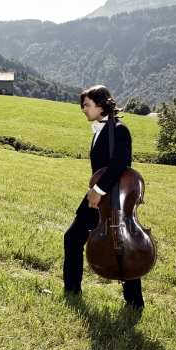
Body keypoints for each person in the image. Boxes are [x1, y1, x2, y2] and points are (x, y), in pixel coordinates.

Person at [63, 85, 144, 309]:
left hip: (111, 198)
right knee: (73, 238)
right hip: (98, 197)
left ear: (102, 105)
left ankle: (135, 303)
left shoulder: (119, 129)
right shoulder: (102, 129)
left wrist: (98, 190)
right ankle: (71, 292)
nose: (83, 110)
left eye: (87, 105)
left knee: (123, 245)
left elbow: (120, 163)